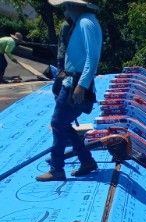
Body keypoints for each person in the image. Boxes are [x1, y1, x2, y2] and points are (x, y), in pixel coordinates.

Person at [36, 0, 102, 182]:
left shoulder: (85, 22)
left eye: (66, 6)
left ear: (75, 6)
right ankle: (87, 161)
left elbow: (92, 57)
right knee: (63, 124)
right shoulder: (82, 21)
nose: (64, 10)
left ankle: (57, 169)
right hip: (72, 81)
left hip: (76, 84)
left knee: (57, 123)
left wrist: (82, 85)